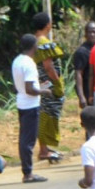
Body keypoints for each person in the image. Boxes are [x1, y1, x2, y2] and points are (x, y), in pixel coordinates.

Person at [12, 34, 53, 183]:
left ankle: (27, 170)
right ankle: (28, 173)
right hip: (30, 104)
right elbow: (30, 89)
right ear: (33, 46)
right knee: (28, 140)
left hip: (22, 102)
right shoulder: (29, 63)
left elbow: (24, 86)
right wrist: (44, 91)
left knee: (24, 138)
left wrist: (39, 87)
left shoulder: (17, 61)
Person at [31, 12, 66, 163]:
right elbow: (48, 67)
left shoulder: (32, 43)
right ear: (47, 25)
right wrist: (57, 83)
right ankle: (44, 150)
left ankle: (44, 148)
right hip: (48, 84)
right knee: (47, 114)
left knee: (44, 113)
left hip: (39, 83)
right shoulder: (44, 43)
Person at [73, 21, 95, 109]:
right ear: (85, 34)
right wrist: (81, 96)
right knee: (91, 119)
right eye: (90, 32)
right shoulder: (82, 52)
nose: (92, 35)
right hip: (87, 91)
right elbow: (78, 74)